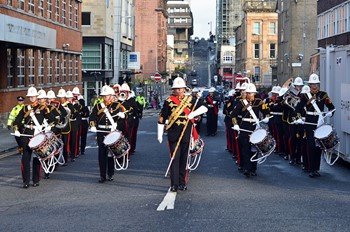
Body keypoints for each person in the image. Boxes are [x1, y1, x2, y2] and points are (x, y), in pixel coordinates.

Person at [157, 77, 207, 192]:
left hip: (186, 134)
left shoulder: (191, 100)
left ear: (184, 89)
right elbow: (162, 118)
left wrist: (193, 113)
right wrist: (159, 134)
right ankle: (174, 184)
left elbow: (204, 108)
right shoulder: (169, 101)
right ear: (173, 90)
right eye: (176, 89)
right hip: (173, 134)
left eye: (181, 88)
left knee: (184, 160)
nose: (179, 91)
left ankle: (182, 183)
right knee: (175, 159)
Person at [12, 87, 57, 188]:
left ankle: (36, 179)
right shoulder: (25, 108)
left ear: (37, 96)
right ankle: (26, 181)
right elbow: (17, 121)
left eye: (33, 96)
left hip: (38, 135)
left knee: (37, 158)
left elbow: (54, 120)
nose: (32, 98)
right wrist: (16, 130)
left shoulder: (43, 108)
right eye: (30, 96)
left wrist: (48, 127)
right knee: (25, 158)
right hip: (26, 135)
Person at [295, 73, 335, 178]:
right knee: (311, 146)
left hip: (319, 123)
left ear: (318, 84)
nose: (314, 85)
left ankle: (316, 169)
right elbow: (298, 108)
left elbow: (331, 106)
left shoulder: (323, 95)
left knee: (319, 147)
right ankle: (311, 169)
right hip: (309, 123)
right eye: (312, 84)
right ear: (310, 84)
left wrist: (331, 112)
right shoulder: (305, 95)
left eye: (316, 83)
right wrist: (299, 118)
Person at [231, 83, 270, 177]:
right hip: (244, 127)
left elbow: (267, 111)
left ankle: (253, 168)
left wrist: (266, 118)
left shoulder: (259, 102)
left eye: (251, 93)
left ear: (254, 93)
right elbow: (233, 115)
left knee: (254, 149)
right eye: (248, 93)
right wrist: (236, 124)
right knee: (245, 149)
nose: (250, 95)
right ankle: (246, 168)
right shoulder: (241, 103)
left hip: (255, 128)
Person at [89, 85, 126, 183]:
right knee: (101, 154)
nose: (105, 97)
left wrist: (121, 118)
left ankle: (110, 173)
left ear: (111, 95)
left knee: (111, 154)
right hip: (101, 133)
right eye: (103, 96)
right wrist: (92, 125)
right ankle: (102, 175)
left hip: (111, 132)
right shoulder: (98, 106)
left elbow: (122, 120)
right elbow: (92, 117)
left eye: (106, 95)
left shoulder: (117, 105)